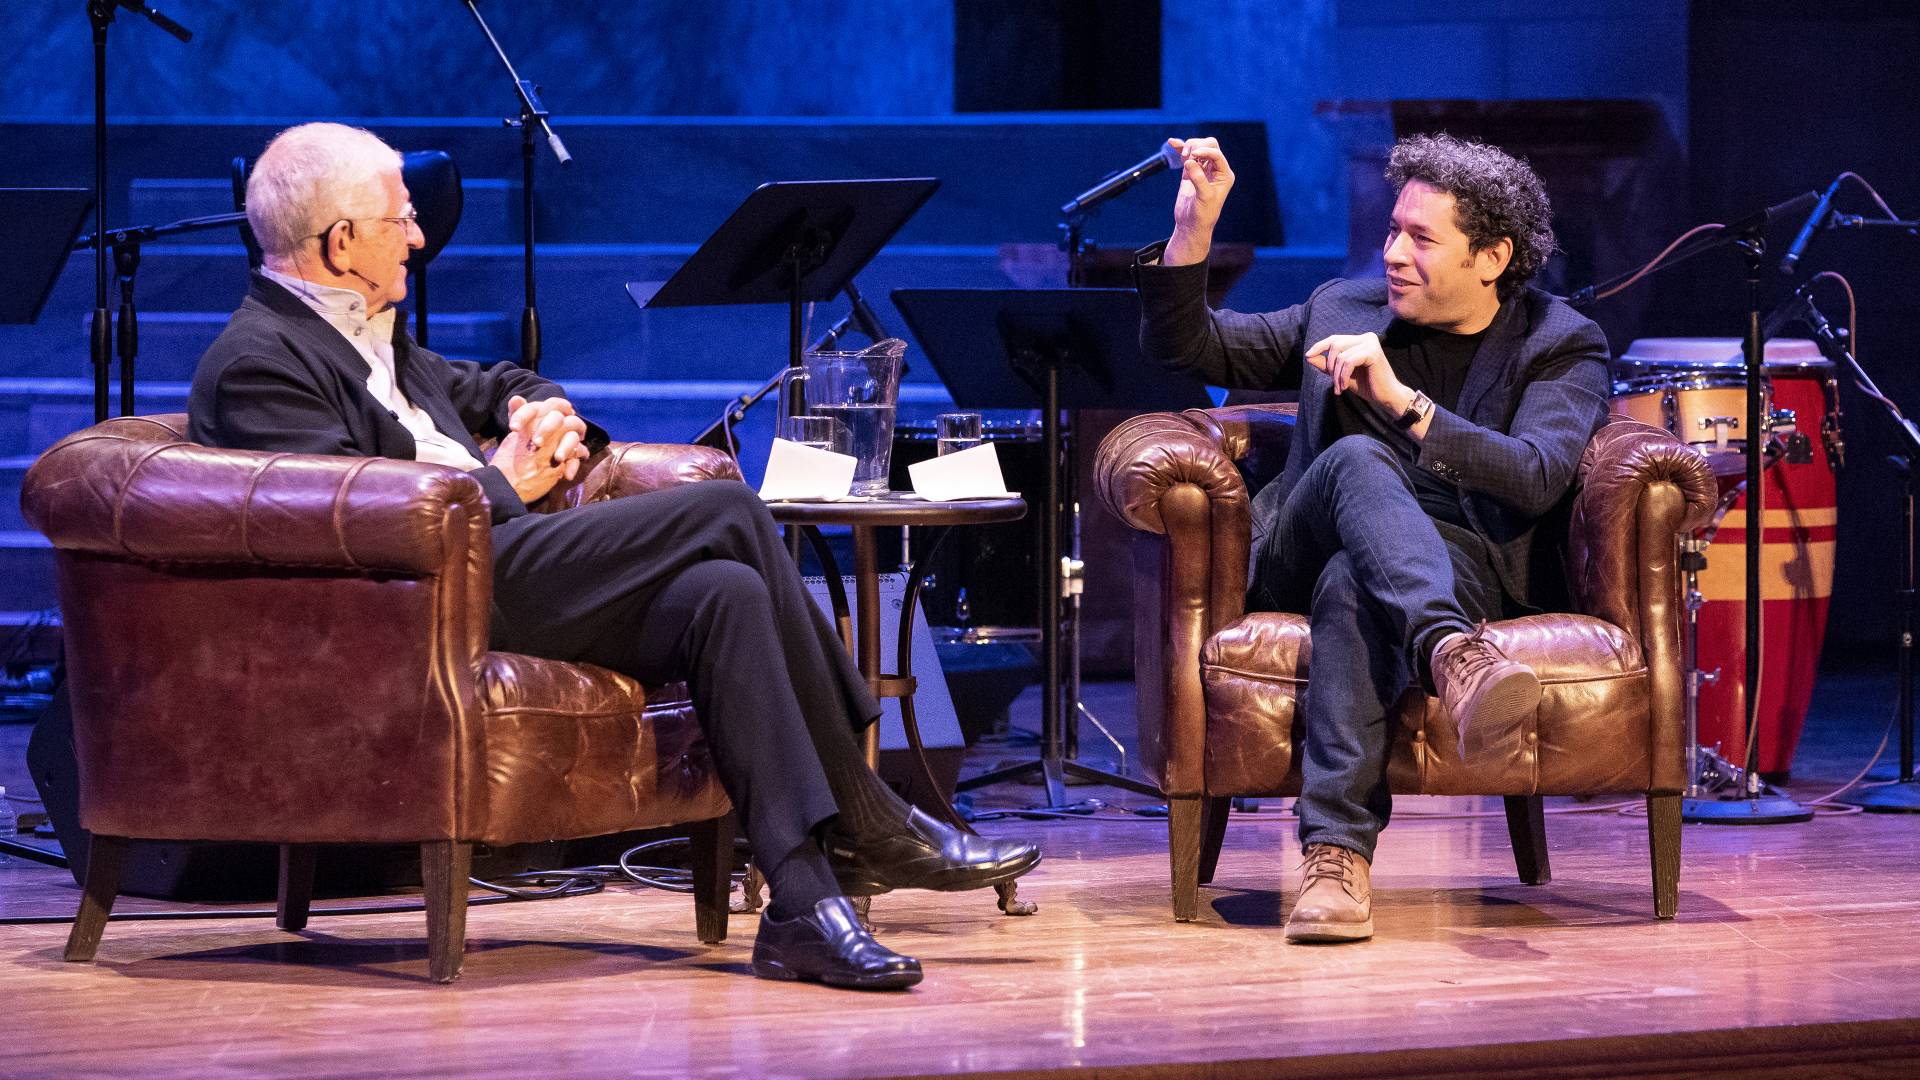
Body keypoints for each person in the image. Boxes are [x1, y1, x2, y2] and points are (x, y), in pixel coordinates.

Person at [188, 122, 1039, 990]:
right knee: (727, 509)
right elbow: (357, 521)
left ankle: (802, 905)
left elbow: (496, 382)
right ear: (340, 243)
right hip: (426, 605)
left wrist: (543, 413)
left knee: (726, 593)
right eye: (399, 219)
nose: (416, 235)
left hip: (498, 567)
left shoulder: (371, 332)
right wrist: (503, 483)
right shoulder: (259, 364)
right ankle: (868, 813)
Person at [1136, 133, 1610, 943]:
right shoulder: (1341, 309)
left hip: (1460, 561)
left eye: (1422, 238)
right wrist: (1193, 230)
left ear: (1492, 257)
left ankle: (1335, 860)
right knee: (1355, 460)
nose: (1392, 253)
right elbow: (1191, 347)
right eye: (1393, 229)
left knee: (1355, 586)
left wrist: (1406, 403)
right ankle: (1453, 655)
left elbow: (1536, 474)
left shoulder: (1559, 342)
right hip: (1304, 542)